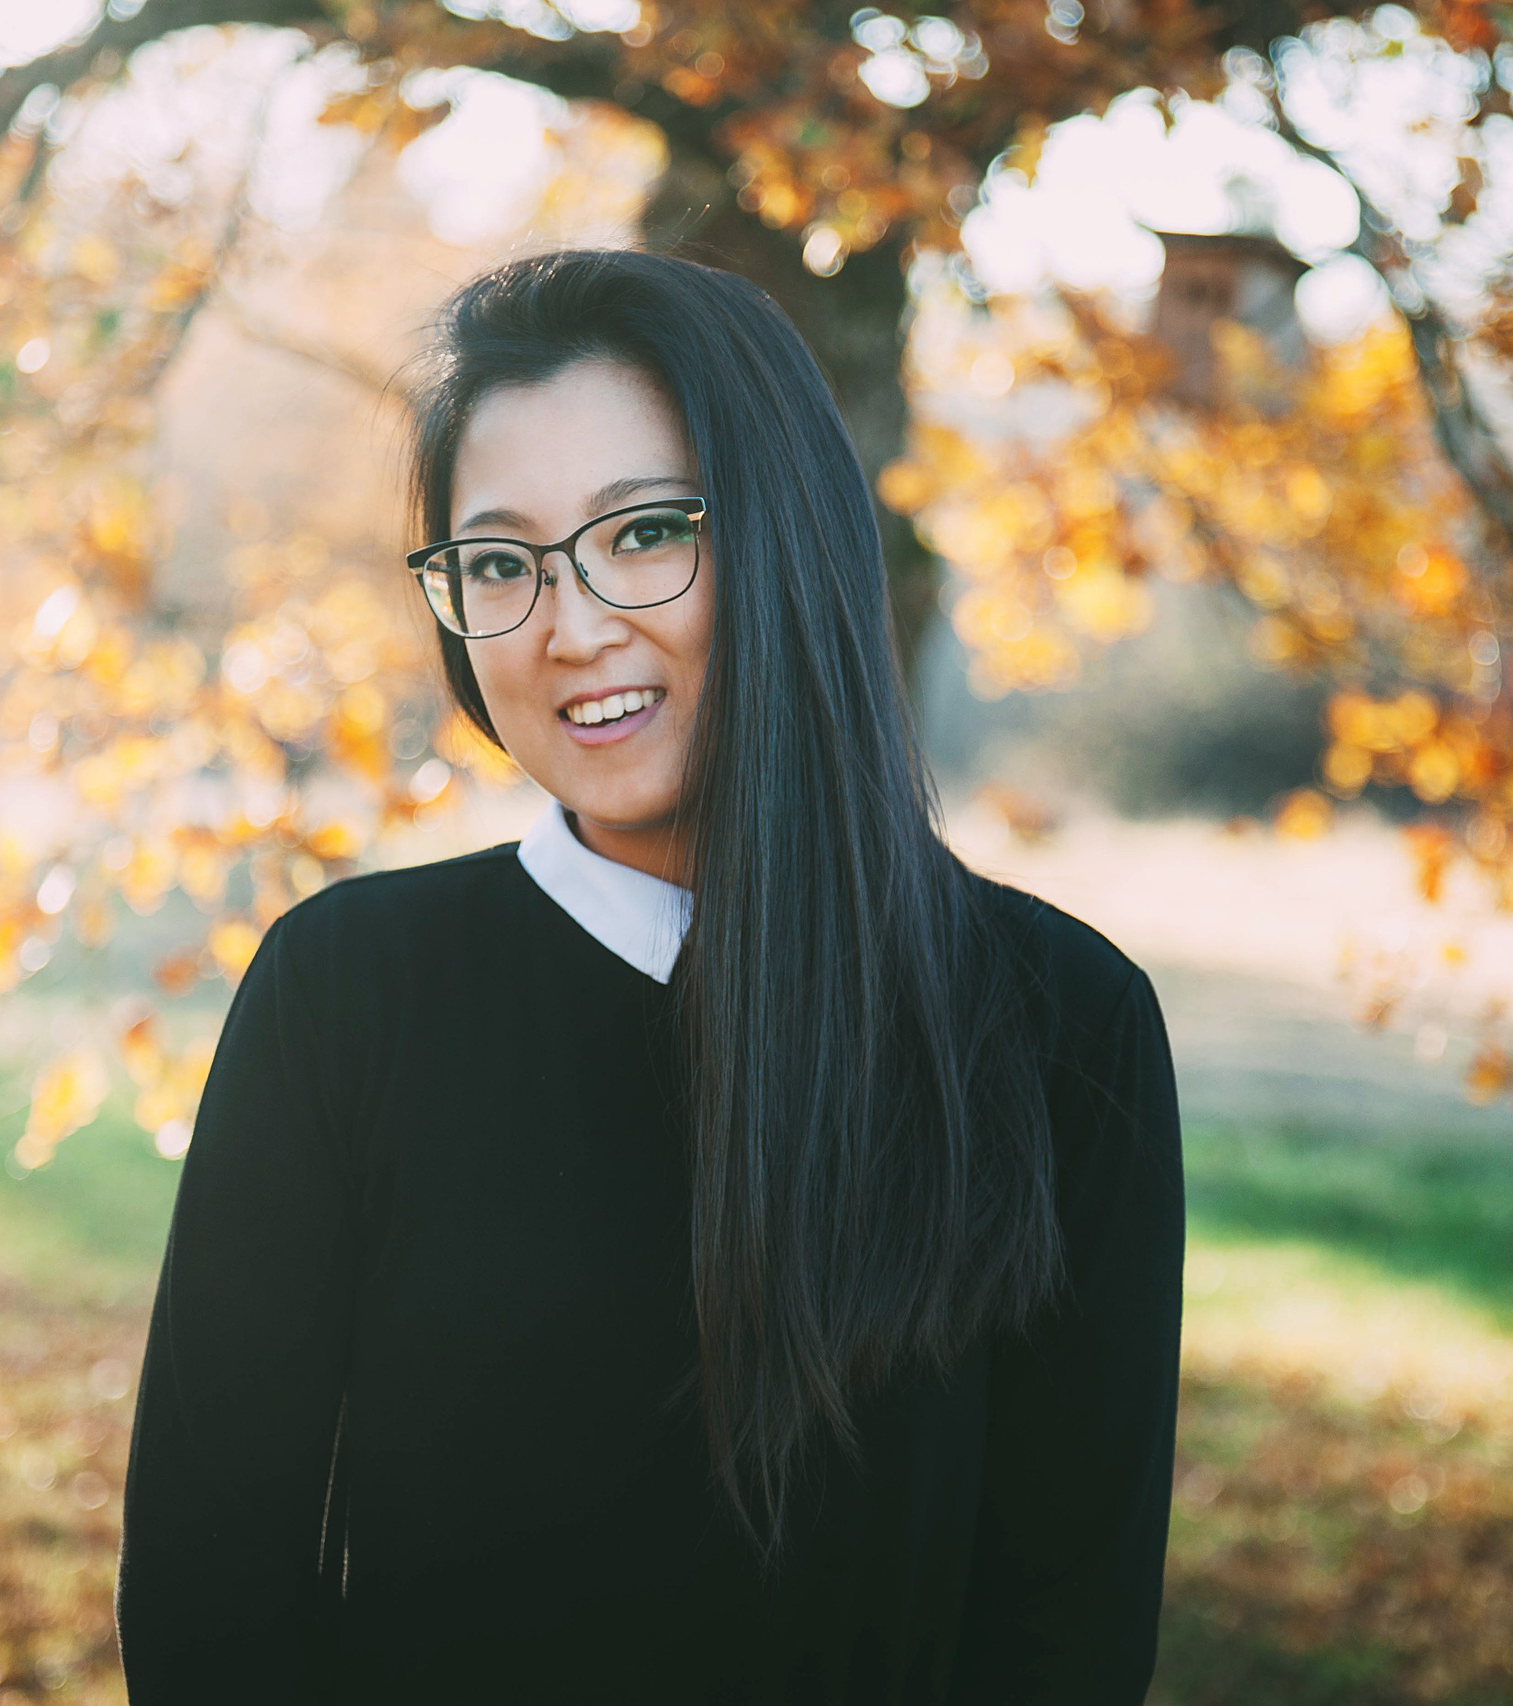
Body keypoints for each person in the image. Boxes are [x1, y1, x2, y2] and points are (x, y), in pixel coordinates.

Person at [115, 248, 1185, 1704]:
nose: (568, 624)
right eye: (499, 562)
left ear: (787, 537)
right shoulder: (344, 997)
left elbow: (1067, 1630)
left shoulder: (1063, 1025)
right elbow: (208, 1599)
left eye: (644, 533)